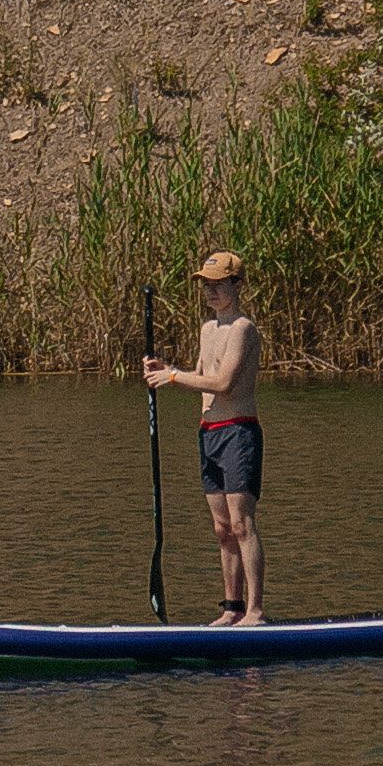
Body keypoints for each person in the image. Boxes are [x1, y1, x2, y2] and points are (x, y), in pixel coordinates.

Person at [141, 248, 265, 624]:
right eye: (205, 285)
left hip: (238, 431)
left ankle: (256, 611)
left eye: (217, 284)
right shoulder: (207, 329)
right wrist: (169, 369)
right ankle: (232, 608)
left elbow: (224, 383)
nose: (209, 291)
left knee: (242, 524)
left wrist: (174, 377)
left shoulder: (243, 329)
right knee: (222, 528)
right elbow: (200, 376)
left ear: (237, 284)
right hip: (208, 433)